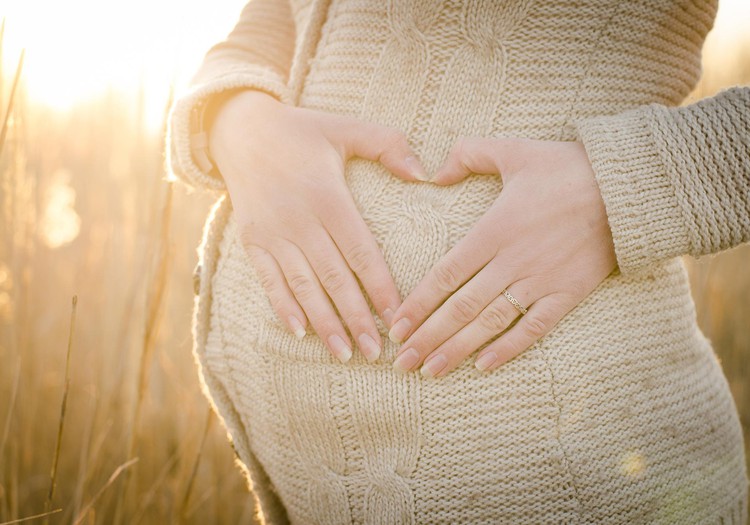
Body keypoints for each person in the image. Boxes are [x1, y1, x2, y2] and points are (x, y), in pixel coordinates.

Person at [168, 0, 749, 523]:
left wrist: (627, 183)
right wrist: (235, 118)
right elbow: (270, 21)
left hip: (587, 476)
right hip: (309, 481)